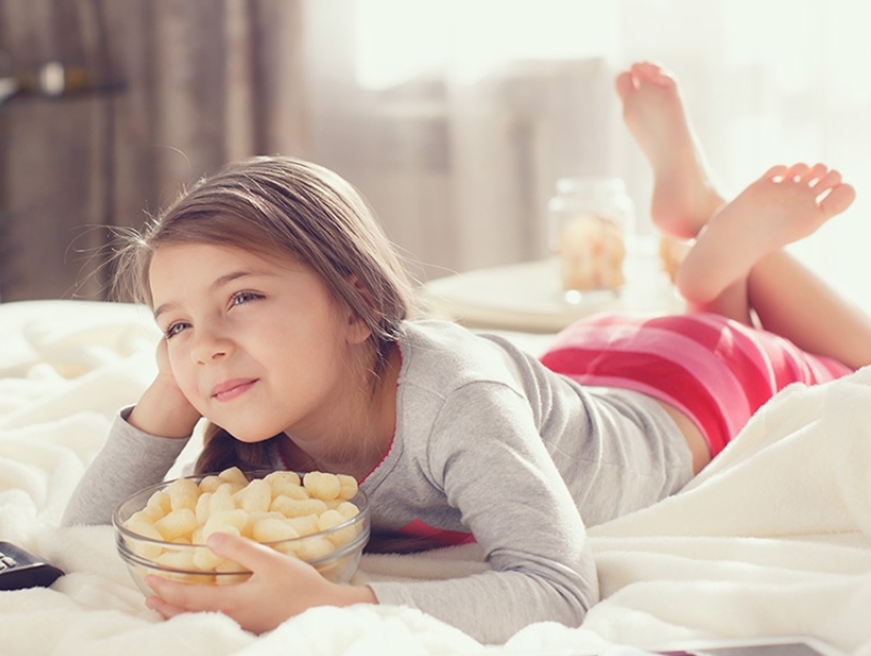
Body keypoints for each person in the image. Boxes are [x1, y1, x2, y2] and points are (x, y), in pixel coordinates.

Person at [61, 61, 871, 644]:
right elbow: (90, 533)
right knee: (697, 312)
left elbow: (554, 587)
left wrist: (345, 609)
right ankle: (699, 228)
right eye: (175, 325)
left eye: (242, 298)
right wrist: (172, 391)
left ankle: (713, 237)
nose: (206, 347)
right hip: (583, 369)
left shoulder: (454, 401)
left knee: (849, 356)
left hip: (687, 391)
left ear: (360, 304)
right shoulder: (262, 420)